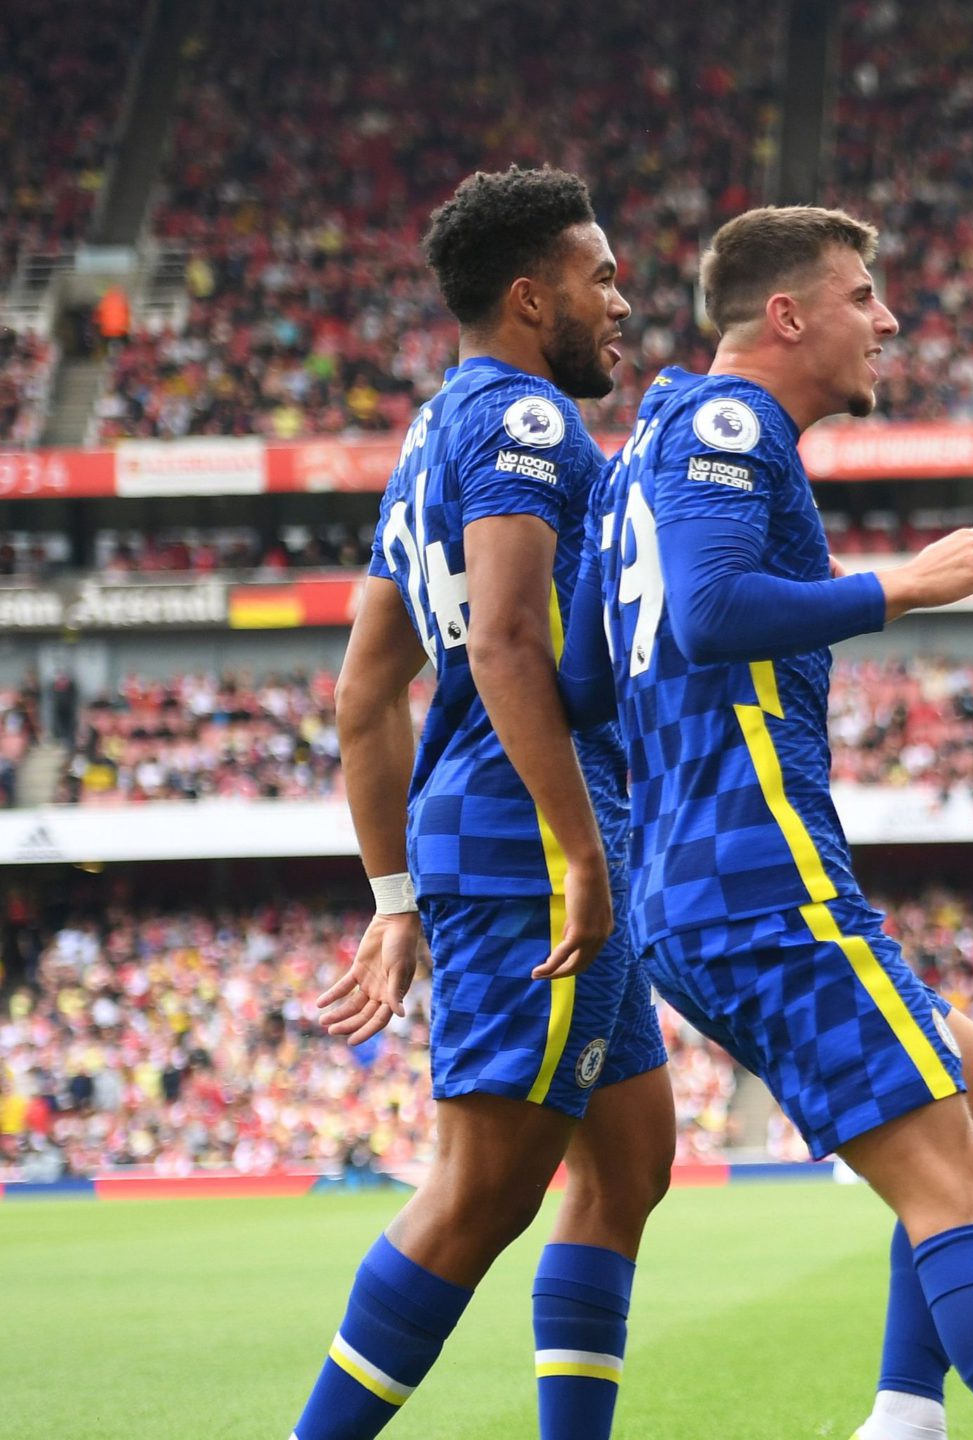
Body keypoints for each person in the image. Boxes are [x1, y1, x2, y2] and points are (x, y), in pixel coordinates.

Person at [581, 205, 973, 1438]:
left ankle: (905, 1418)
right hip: (756, 879)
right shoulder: (723, 418)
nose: (889, 319)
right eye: (864, 295)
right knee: (958, 1191)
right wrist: (899, 584)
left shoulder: (642, 459)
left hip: (692, 882)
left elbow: (593, 680)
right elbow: (702, 615)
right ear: (787, 315)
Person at [296, 166, 673, 1440]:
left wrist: (395, 897)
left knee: (627, 1166)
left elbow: (363, 690)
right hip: (534, 844)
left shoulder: (433, 432)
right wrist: (580, 849)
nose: (621, 301)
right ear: (531, 296)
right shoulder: (527, 425)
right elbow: (509, 640)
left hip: (493, 838)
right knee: (477, 1196)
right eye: (601, 277)